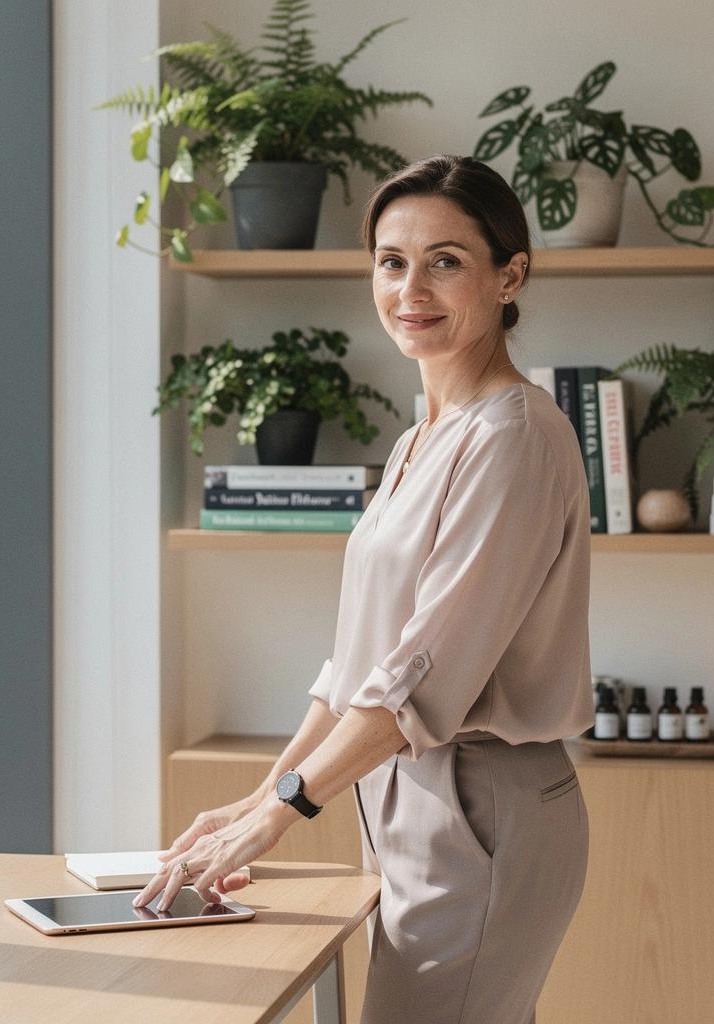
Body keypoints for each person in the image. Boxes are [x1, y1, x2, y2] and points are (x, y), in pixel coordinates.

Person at [135, 154, 594, 1024]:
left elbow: (422, 674)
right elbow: (359, 664)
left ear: (511, 275)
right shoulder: (423, 436)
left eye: (446, 260)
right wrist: (262, 793)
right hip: (406, 796)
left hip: (479, 805)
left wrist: (281, 811)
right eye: (392, 261)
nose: (411, 287)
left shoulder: (515, 436)